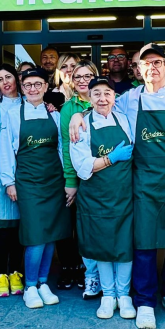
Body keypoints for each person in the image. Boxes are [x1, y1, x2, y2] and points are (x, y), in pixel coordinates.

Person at [70, 43, 165, 329]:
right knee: (144, 244)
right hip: (142, 184)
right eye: (146, 64)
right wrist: (76, 115)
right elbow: (98, 105)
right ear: (138, 70)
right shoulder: (128, 99)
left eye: (157, 63)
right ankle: (144, 301)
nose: (152, 68)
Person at [0, 67, 71, 309]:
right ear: (22, 87)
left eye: (38, 84)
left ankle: (42, 283)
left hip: (53, 181)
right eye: (28, 85)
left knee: (51, 234)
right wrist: (9, 182)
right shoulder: (11, 115)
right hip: (27, 182)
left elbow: (62, 149)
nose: (33, 89)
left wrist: (67, 181)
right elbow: (6, 151)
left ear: (46, 87)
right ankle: (30, 285)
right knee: (34, 236)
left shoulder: (56, 116)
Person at [70, 78, 136, 320]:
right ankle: (108, 295)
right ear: (89, 98)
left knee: (124, 246)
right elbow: (82, 166)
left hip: (124, 196)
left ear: (114, 97)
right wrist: (111, 158)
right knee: (102, 247)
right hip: (96, 198)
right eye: (96, 94)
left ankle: (124, 295)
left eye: (107, 93)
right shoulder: (81, 125)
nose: (102, 99)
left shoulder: (126, 120)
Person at [59, 60, 101, 298]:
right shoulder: (68, 109)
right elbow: (66, 147)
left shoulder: (107, 100)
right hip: (79, 177)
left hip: (105, 176)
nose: (83, 81)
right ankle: (80, 271)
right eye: (78, 77)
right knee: (78, 226)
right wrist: (71, 181)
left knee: (96, 226)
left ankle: (98, 273)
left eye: (88, 76)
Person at [0, 65, 24, 298]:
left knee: (19, 227)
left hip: (24, 172)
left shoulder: (27, 103)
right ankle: (0, 274)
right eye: (0, 79)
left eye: (8, 77)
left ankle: (16, 272)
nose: (5, 82)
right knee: (1, 228)